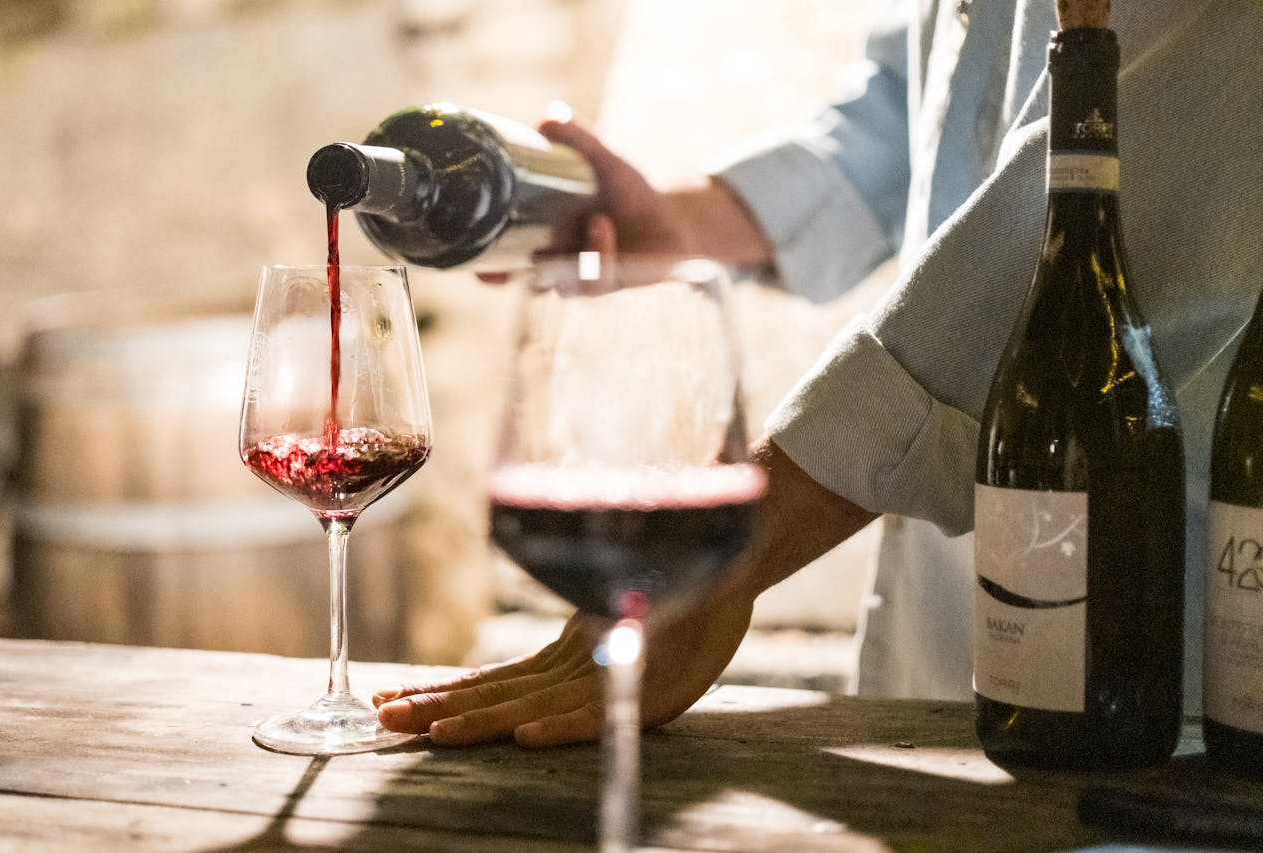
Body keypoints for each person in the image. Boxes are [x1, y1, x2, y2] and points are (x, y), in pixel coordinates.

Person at [374, 0, 1263, 747]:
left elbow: (1111, 163)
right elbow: (906, 113)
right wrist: (677, 226)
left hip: (1147, 638)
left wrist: (742, 544)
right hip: (937, 645)